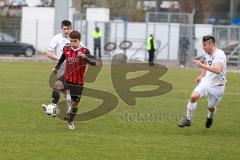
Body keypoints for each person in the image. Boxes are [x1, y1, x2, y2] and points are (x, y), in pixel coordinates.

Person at [50, 31, 101, 130]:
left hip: (78, 83)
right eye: (71, 41)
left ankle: (70, 120)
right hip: (67, 77)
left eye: (75, 41)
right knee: (57, 84)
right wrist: (56, 68)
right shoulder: (66, 48)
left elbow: (95, 64)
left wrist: (85, 57)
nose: (73, 43)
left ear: (79, 41)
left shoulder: (85, 51)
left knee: (74, 105)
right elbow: (62, 58)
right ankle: (53, 105)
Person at [178, 35, 227, 128]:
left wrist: (200, 64)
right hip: (206, 82)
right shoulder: (207, 52)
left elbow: (217, 70)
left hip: (218, 86)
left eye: (204, 45)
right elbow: (206, 62)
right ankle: (188, 119)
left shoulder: (220, 54)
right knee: (193, 96)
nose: (203, 47)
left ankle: (210, 117)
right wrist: (201, 75)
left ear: (211, 45)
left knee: (211, 108)